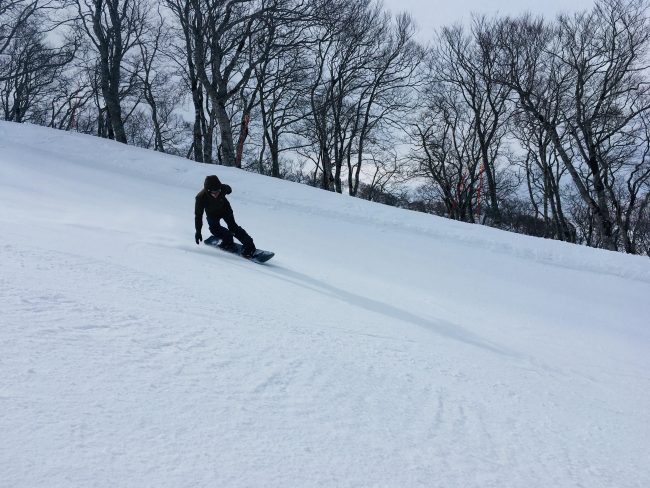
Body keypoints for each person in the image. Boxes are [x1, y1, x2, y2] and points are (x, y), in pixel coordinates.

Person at [194, 175, 256, 257]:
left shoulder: (222, 188)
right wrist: (198, 231)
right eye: (213, 192)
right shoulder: (200, 198)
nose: (216, 194)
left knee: (233, 227)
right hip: (212, 214)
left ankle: (249, 246)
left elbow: (229, 189)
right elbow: (198, 216)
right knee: (214, 229)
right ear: (207, 191)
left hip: (225, 209)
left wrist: (228, 189)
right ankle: (228, 240)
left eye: (218, 191)